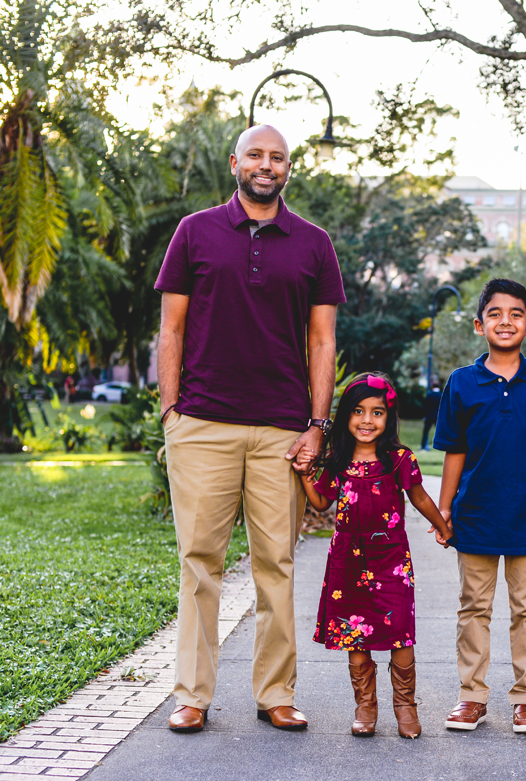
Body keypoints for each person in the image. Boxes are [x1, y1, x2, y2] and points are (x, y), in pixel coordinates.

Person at [154, 124, 345, 734]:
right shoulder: (195, 232)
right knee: (199, 561)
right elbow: (172, 330)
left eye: (278, 158)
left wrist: (318, 426)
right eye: (257, 155)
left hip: (282, 430)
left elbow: (322, 341)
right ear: (235, 161)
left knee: (276, 565)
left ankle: (276, 693)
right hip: (203, 423)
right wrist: (171, 415)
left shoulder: (314, 244)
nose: (267, 165)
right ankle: (192, 696)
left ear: (289, 169)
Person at [435, 279, 526, 735]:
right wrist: (444, 511)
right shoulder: (461, 382)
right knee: (473, 607)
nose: (505, 321)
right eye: (495, 314)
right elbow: (453, 451)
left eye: (516, 314)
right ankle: (472, 696)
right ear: (480, 325)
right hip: (475, 512)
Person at [297, 373, 452, 739]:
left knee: (399, 632)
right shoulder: (337, 461)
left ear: (389, 418)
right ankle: (365, 707)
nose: (367, 420)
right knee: (356, 636)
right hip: (347, 561)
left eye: (377, 412)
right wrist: (304, 473)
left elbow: (419, 497)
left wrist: (443, 525)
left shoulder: (399, 459)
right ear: (346, 416)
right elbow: (320, 502)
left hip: (390, 559)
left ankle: (405, 706)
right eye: (358, 412)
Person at [420, 383, 441, 450]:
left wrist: (424, 415)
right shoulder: (441, 395)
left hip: (429, 416)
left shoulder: (429, 395)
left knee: (426, 431)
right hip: (438, 417)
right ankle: (441, 446)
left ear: (432, 387)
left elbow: (425, 406)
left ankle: (423, 445)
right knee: (440, 432)